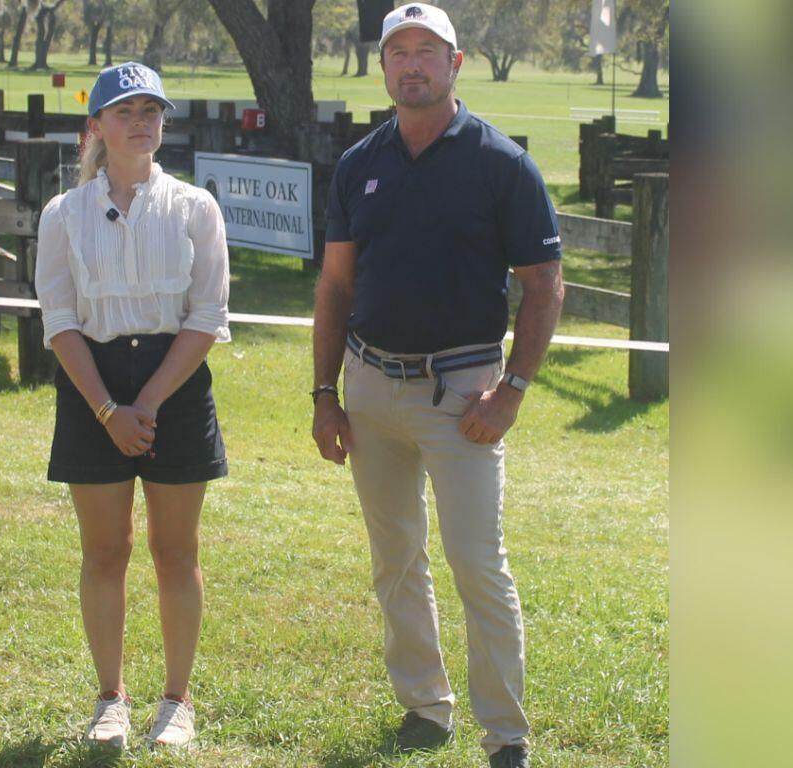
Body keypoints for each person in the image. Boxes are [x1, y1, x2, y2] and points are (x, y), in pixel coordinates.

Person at [311, 5, 565, 768]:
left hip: (466, 397)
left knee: (477, 565)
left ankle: (506, 736)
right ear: (382, 67)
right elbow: (334, 287)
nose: (412, 64)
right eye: (398, 52)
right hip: (371, 389)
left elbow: (545, 285)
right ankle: (425, 706)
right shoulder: (360, 163)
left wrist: (513, 389)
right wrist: (324, 394)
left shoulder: (501, 163)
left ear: (456, 65)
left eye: (428, 51)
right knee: (395, 560)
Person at [35, 61, 230, 750]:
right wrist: (108, 410)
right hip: (93, 385)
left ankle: (177, 702)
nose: (141, 122)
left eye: (151, 111)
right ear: (97, 127)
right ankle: (110, 698)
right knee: (105, 550)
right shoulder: (63, 214)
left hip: (172, 383)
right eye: (125, 112)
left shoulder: (195, 207)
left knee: (175, 551)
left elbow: (207, 315)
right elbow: (59, 321)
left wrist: (143, 403)